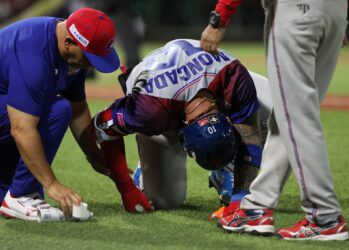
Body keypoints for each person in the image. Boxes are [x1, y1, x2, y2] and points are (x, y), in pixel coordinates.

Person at [201, 0, 349, 241]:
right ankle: (257, 206)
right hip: (335, 12)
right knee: (288, 115)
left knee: (297, 118)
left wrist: (220, 17)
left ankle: (325, 216)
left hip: (295, 10)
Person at [92, 38, 272, 211]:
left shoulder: (234, 78)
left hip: (214, 76)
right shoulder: (150, 111)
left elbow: (249, 134)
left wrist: (241, 195)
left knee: (278, 110)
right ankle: (145, 168)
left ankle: (227, 168)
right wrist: (126, 188)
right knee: (165, 200)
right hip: (162, 103)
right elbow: (101, 125)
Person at [0, 8, 120, 220]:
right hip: (11, 120)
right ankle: (22, 193)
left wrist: (93, 154)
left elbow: (78, 107)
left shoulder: (74, 46)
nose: (92, 64)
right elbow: (21, 129)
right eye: (91, 57)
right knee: (56, 109)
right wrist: (51, 183)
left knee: (60, 107)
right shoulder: (33, 56)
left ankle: (12, 192)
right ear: (68, 43)